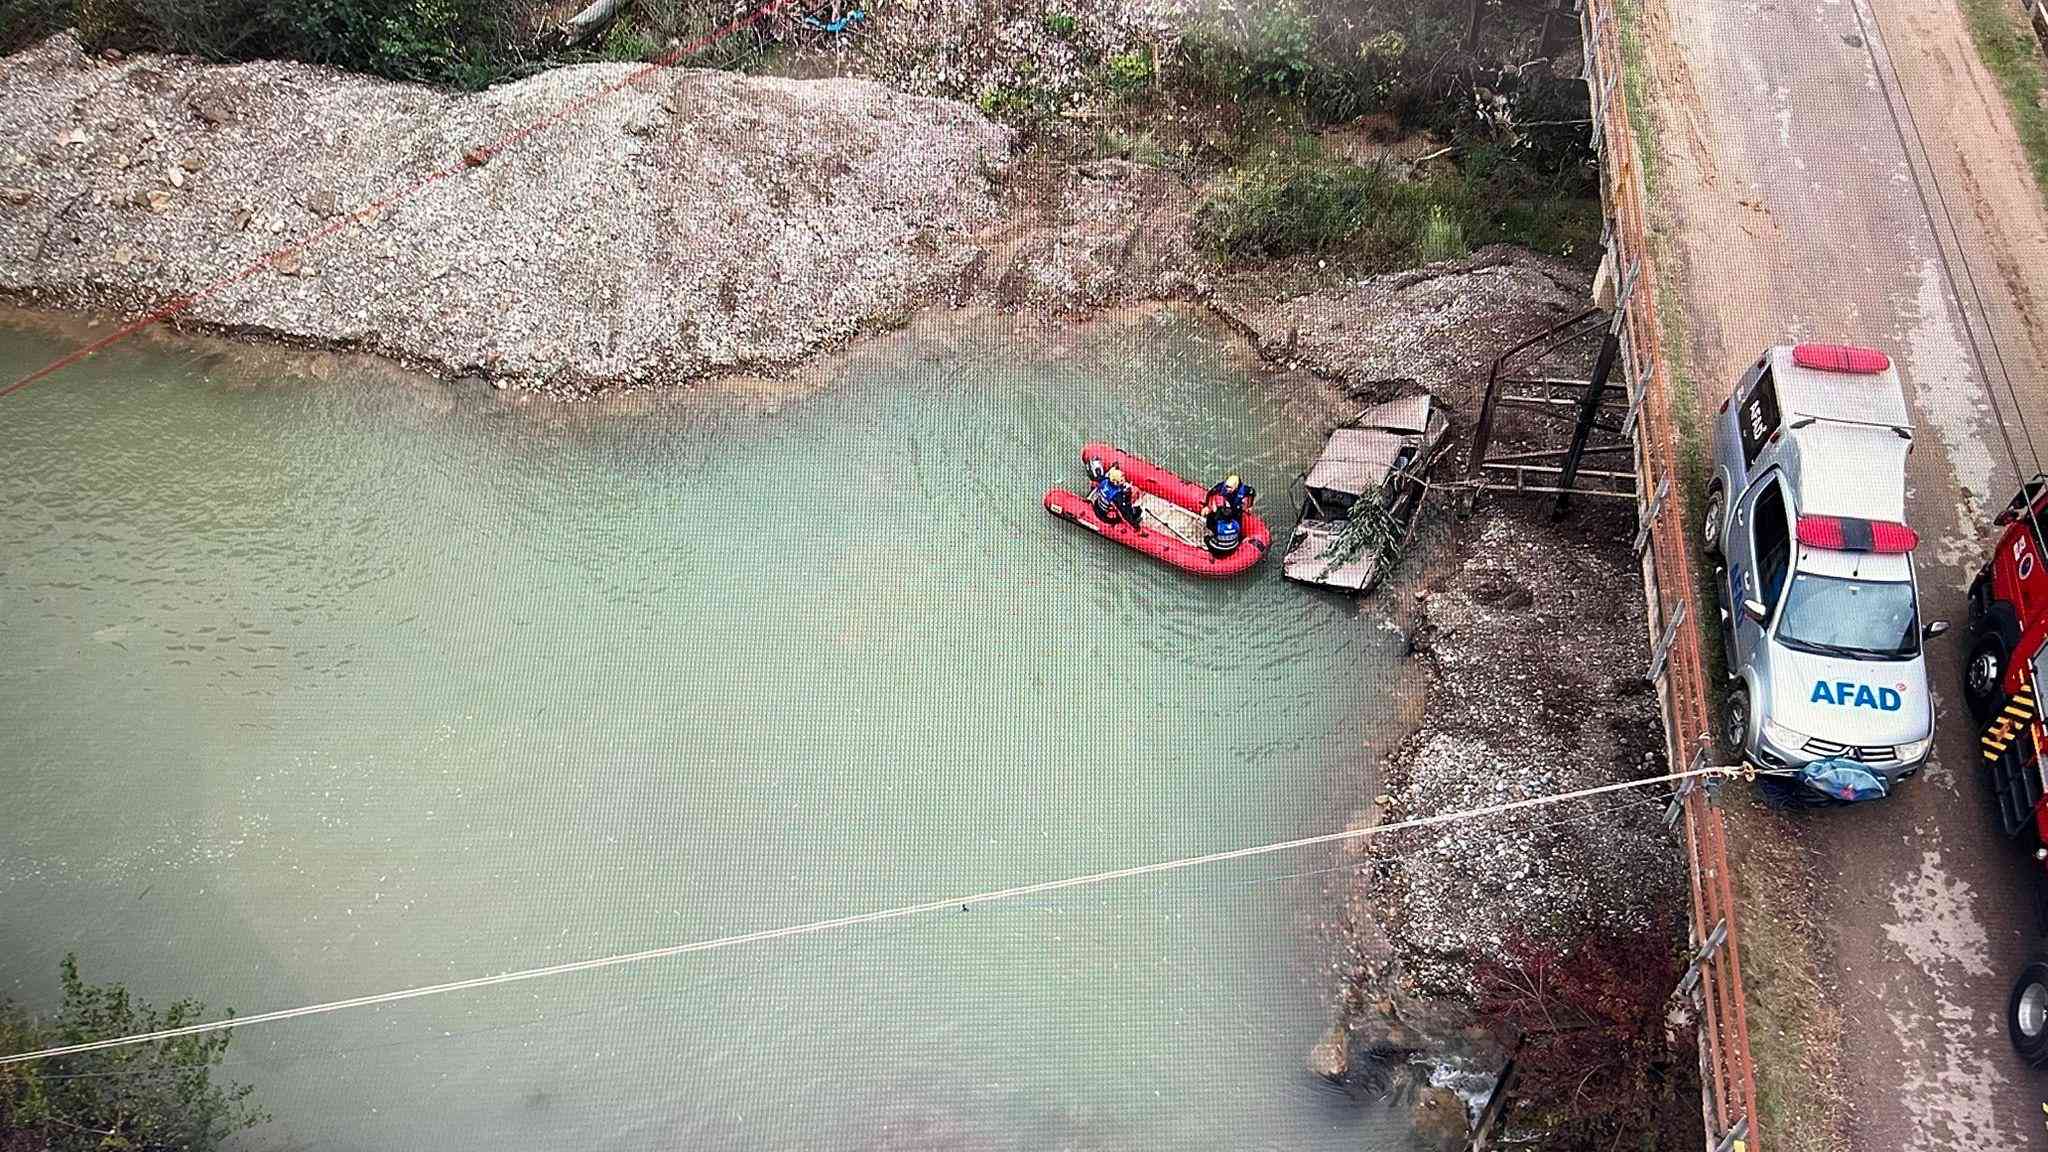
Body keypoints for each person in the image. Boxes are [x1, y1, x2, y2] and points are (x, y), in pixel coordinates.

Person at [1203, 473, 1254, 555]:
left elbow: (1251, 493)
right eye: (1226, 486)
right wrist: (1207, 506)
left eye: (1229, 487)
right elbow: (1211, 493)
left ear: (1236, 486)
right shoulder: (1221, 487)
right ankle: (1233, 540)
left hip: (1236, 508)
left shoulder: (1244, 490)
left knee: (1234, 523)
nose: (1227, 489)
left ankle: (1237, 539)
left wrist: (1249, 506)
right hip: (1228, 505)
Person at [1090, 465, 1143, 530]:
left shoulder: (1105, 480)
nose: (1124, 480)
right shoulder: (1116, 496)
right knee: (1129, 510)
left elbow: (1096, 481)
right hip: (1107, 515)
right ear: (1115, 482)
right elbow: (1124, 514)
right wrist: (1135, 526)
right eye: (1121, 480)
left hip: (1099, 505)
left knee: (1127, 496)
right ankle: (1136, 517)